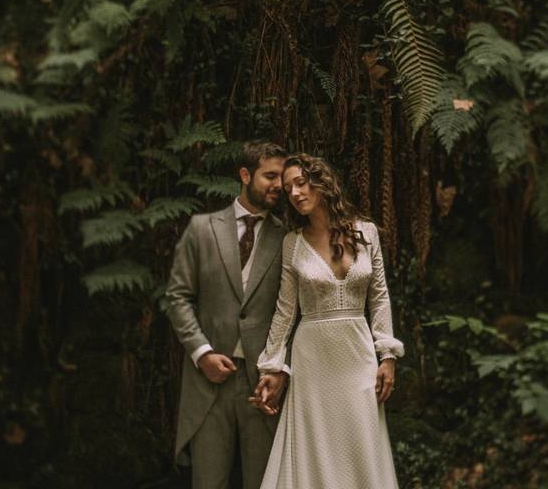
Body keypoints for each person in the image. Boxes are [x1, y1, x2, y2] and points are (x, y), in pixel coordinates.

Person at [250, 153, 404, 488]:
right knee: (316, 447)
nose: (295, 193)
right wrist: (272, 366)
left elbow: (379, 298)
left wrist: (388, 356)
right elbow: (285, 310)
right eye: (289, 187)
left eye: (301, 183)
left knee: (360, 443)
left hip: (358, 356)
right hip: (312, 361)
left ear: (322, 182)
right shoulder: (293, 242)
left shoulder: (367, 233)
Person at [166, 141, 292, 489]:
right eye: (270, 176)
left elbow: (292, 312)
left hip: (263, 385)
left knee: (265, 483)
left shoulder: (288, 239)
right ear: (244, 174)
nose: (279, 185)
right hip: (209, 382)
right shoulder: (201, 229)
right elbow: (177, 297)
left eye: (282, 177)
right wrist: (201, 353)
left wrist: (279, 368)